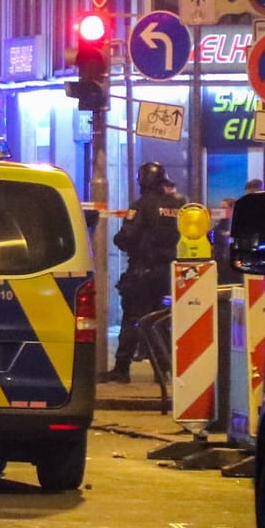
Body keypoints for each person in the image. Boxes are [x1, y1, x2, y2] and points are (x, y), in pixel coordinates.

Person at [102, 161, 184, 383]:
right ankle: (163, 370)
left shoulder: (141, 205)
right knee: (161, 320)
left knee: (133, 318)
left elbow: (126, 237)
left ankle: (122, 368)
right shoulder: (179, 204)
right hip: (169, 271)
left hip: (142, 271)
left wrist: (121, 241)